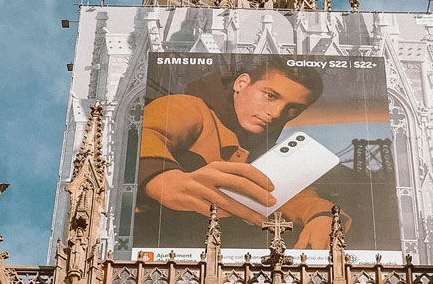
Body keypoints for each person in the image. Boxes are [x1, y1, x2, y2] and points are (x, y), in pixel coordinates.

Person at [137, 56, 351, 250]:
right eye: (270, 95)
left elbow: (293, 196)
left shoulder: (265, 148)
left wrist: (322, 216)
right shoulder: (189, 108)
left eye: (293, 108)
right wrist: (160, 178)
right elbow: (142, 133)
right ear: (241, 84)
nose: (276, 114)